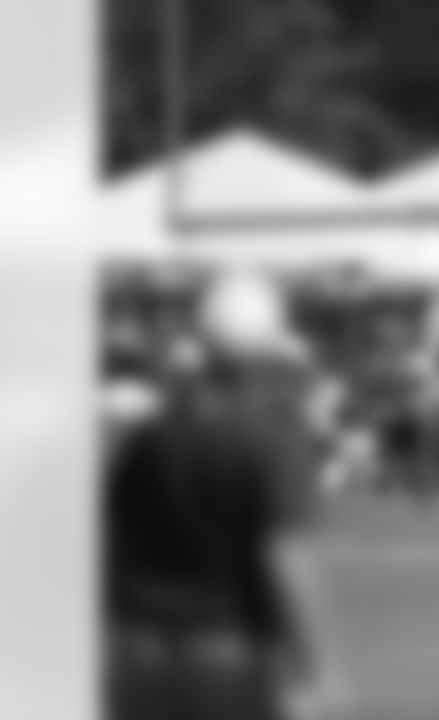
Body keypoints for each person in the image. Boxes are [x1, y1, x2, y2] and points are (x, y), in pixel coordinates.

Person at [104, 273, 343, 720]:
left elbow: (113, 546)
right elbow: (286, 556)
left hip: (138, 651)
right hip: (226, 651)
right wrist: (319, 670)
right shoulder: (272, 438)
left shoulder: (151, 434)